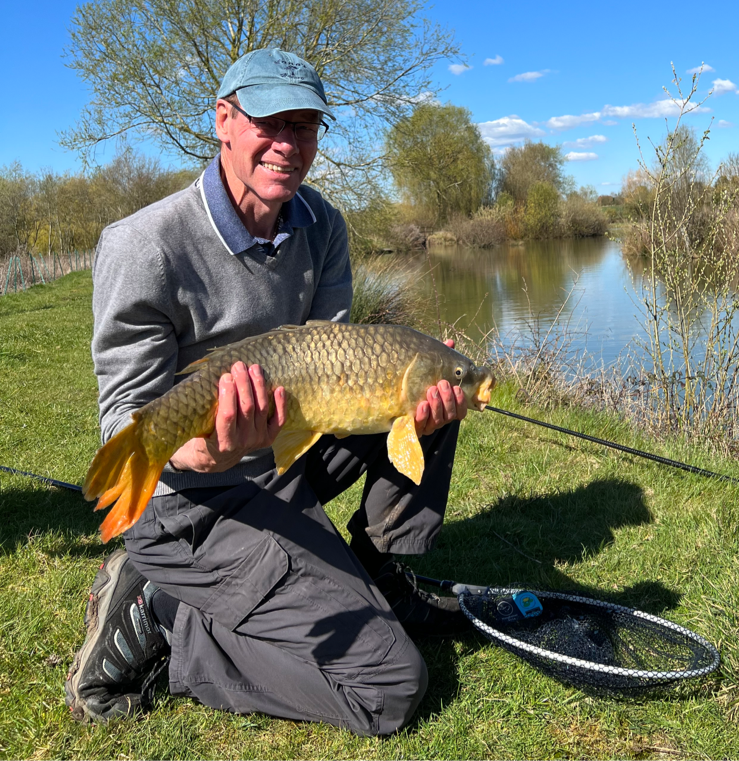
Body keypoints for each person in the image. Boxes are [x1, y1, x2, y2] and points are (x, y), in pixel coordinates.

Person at [65, 48, 469, 737]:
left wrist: (416, 385)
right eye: (270, 123)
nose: (288, 145)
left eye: (305, 127)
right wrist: (212, 453)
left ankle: (381, 572)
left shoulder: (323, 226)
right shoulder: (144, 247)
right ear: (224, 119)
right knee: (391, 687)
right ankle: (168, 619)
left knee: (429, 388)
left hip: (279, 454)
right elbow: (120, 428)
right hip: (186, 500)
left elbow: (338, 368)